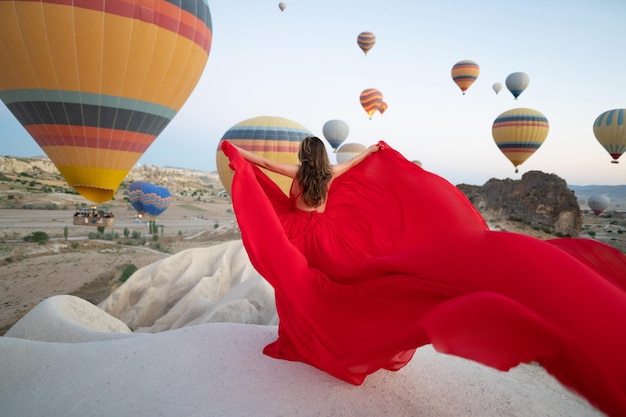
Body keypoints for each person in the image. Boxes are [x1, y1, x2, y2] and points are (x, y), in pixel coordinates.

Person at [222, 138, 626, 416]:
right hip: (330, 240)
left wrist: (234, 152)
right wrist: (375, 151)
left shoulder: (297, 171)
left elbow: (259, 163)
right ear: (321, 154)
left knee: (296, 290)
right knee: (337, 292)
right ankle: (325, 339)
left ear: (301, 155)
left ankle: (300, 339)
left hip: (299, 237)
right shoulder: (329, 173)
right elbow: (357, 162)